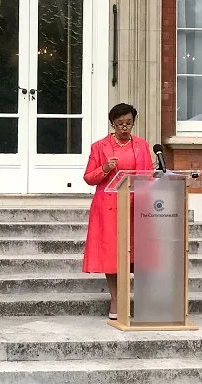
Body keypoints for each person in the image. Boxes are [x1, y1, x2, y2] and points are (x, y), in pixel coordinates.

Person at [83, 103, 153, 320]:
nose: (125, 127)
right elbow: (88, 177)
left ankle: (142, 299)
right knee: (112, 254)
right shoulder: (99, 147)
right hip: (109, 207)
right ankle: (116, 299)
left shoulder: (142, 145)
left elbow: (149, 175)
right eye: (120, 123)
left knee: (139, 254)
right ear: (112, 123)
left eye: (129, 123)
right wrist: (104, 169)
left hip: (136, 206)